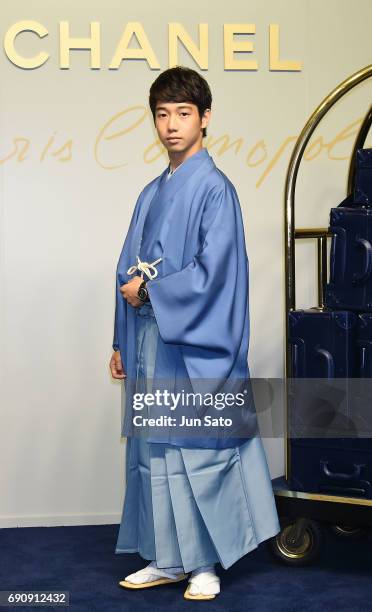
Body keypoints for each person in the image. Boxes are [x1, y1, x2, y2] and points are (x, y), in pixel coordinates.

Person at [109, 66, 280, 601]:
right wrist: (120, 338)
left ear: (205, 118)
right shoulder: (150, 192)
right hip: (152, 341)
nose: (172, 125)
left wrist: (152, 293)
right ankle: (167, 558)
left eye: (183, 113)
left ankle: (204, 564)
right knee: (154, 454)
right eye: (162, 115)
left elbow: (217, 274)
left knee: (194, 453)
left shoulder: (215, 189)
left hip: (192, 344)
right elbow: (125, 270)